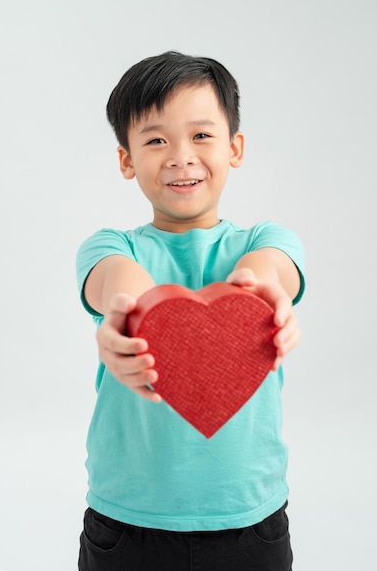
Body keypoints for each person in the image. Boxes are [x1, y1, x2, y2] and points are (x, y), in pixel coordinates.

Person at [76, 50, 305, 571]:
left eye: (201, 135)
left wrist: (261, 290)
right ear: (126, 160)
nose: (180, 156)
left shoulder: (269, 239)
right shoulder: (111, 246)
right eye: (156, 140)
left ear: (235, 147)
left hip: (251, 521)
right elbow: (118, 286)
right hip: (128, 524)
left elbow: (270, 269)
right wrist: (125, 318)